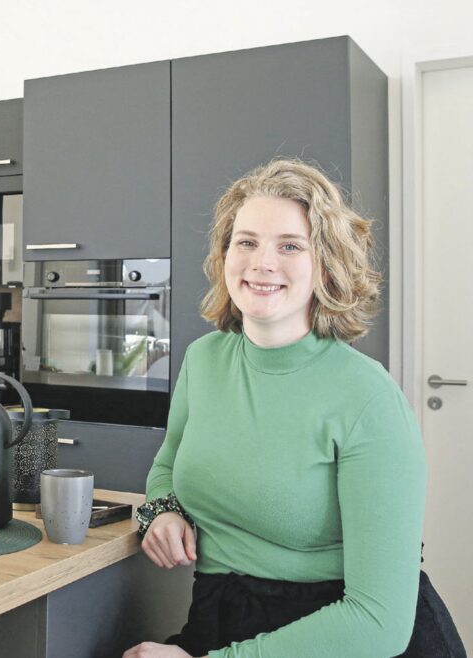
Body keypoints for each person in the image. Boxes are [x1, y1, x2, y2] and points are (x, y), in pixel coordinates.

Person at [123, 160, 465, 657]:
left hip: (339, 637)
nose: (262, 262)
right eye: (246, 242)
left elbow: (378, 622)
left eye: (290, 245)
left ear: (325, 264)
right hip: (223, 617)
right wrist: (163, 512)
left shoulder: (367, 398)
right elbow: (169, 465)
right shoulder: (205, 360)